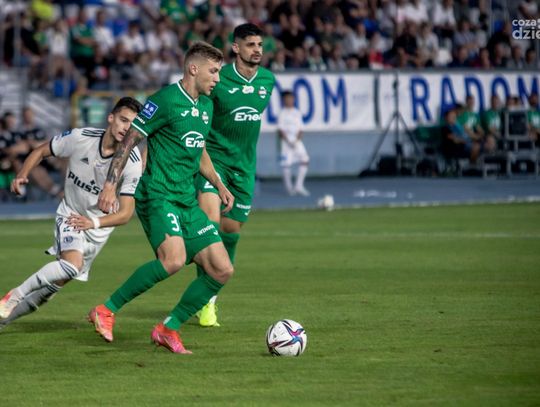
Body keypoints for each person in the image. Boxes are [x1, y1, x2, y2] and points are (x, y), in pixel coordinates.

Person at [88, 42, 234, 354]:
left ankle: (168, 329)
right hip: (158, 194)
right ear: (193, 68)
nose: (217, 79)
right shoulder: (164, 101)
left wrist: (218, 184)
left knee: (222, 269)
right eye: (213, 71)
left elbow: (198, 148)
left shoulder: (206, 107)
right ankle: (106, 309)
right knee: (173, 260)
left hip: (186, 200)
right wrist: (111, 185)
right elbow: (130, 140)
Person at [0, 97, 143, 329]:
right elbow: (41, 151)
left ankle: (3, 322)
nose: (126, 128)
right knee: (72, 265)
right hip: (72, 215)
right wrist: (22, 174)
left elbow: (126, 214)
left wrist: (93, 222)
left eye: (132, 125)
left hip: (97, 230)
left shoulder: (132, 162)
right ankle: (13, 296)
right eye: (123, 120)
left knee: (53, 287)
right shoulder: (81, 137)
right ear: (111, 118)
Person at [194, 23, 275, 327]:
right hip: (215, 163)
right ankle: (205, 303)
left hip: (244, 168)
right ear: (236, 48)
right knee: (210, 225)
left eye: (260, 45)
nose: (257, 50)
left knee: (230, 232)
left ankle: (208, 291)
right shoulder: (218, 79)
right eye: (251, 44)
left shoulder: (268, 80)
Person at [277, 90, 309, 196]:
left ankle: (299, 186)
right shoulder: (282, 113)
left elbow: (301, 128)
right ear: (283, 100)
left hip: (297, 141)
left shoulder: (297, 112)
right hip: (286, 142)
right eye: (287, 99)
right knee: (286, 164)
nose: (289, 100)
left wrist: (296, 140)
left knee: (305, 160)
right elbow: (280, 130)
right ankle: (289, 188)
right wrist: (288, 141)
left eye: (291, 98)